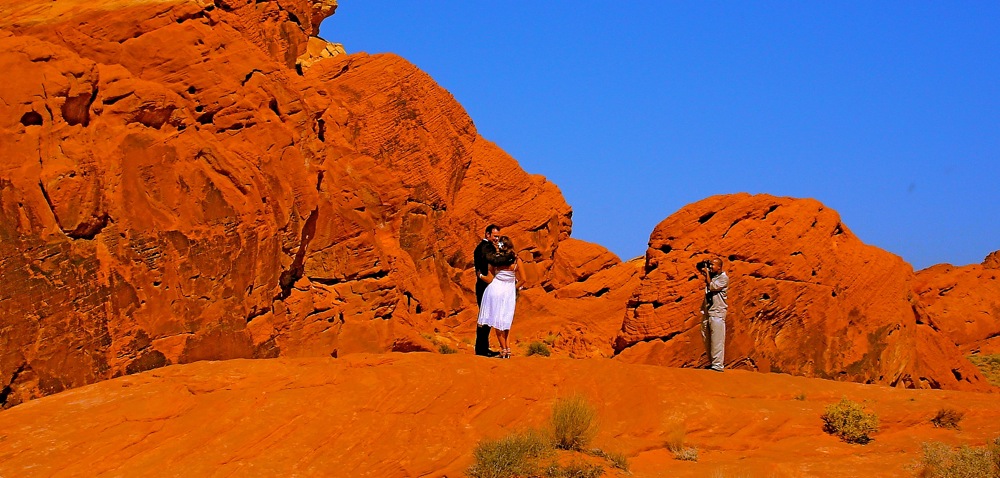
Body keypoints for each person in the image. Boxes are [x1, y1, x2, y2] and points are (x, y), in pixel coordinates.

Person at [477, 236, 519, 358]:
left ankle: (504, 350)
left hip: (494, 291)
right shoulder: (515, 261)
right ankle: (507, 349)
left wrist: (480, 276)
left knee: (497, 322)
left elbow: (490, 279)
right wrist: (513, 288)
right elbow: (524, 279)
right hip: (508, 293)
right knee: (505, 322)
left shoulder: (494, 261)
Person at [473, 224, 501, 357]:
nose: (496, 239)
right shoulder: (487, 248)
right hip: (486, 285)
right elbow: (491, 263)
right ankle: (483, 349)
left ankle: (481, 348)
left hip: (481, 284)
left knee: (485, 316)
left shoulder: (479, 247)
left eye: (498, 237)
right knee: (487, 317)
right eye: (495, 236)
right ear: (487, 234)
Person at [699, 257, 729, 371]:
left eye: (712, 265)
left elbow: (712, 287)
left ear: (719, 267)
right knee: (705, 336)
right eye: (710, 265)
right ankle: (713, 362)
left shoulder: (723, 278)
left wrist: (706, 273)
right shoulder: (713, 277)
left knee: (717, 339)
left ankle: (718, 365)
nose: (710, 267)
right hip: (708, 311)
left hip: (718, 312)